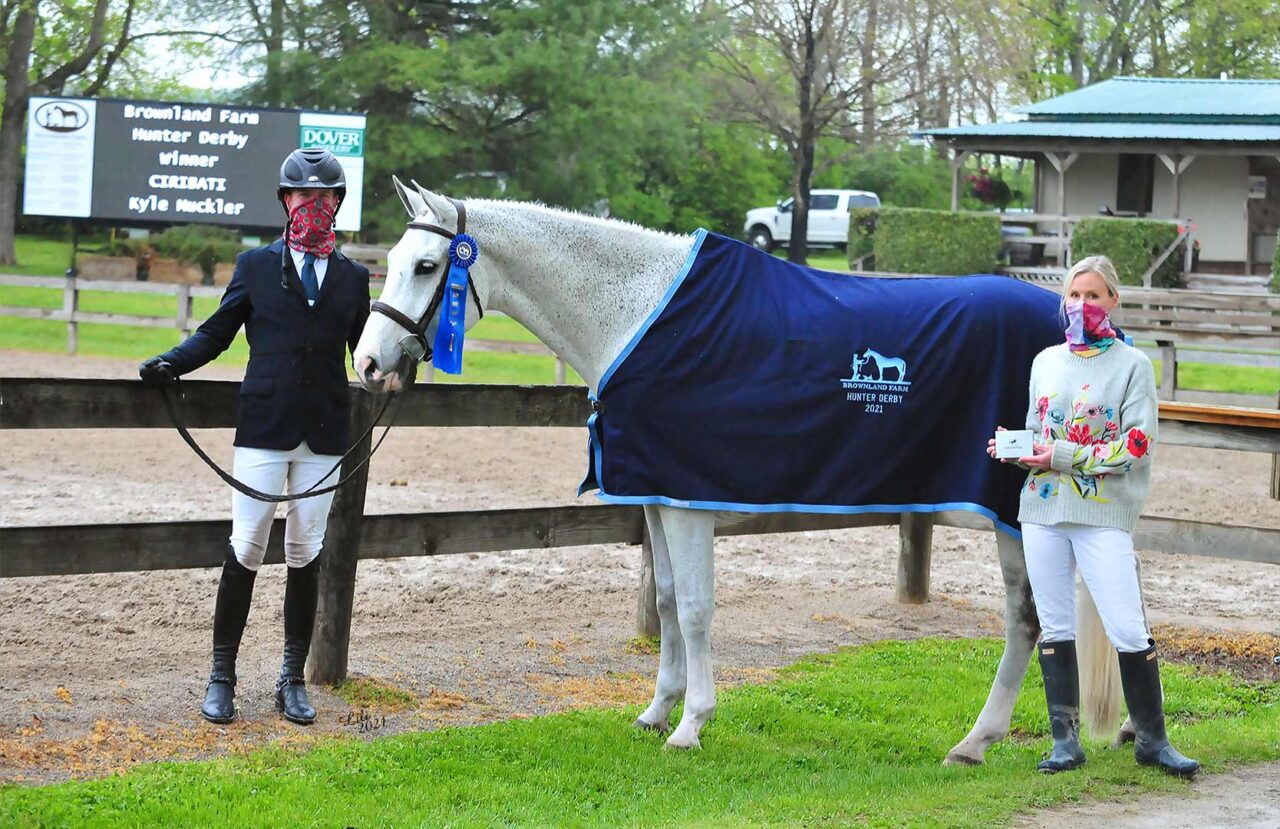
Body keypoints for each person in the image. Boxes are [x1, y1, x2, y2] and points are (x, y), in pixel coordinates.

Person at [139, 148, 371, 725]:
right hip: (264, 428)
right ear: (286, 202)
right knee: (246, 546)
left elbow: (365, 353)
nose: (313, 206)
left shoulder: (354, 277)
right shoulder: (255, 267)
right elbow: (216, 334)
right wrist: (171, 362)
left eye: (324, 198)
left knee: (305, 551)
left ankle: (291, 679)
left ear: (337, 204)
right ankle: (222, 676)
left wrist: (401, 363)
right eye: (303, 197)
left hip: (324, 434)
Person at [987, 254, 1198, 778]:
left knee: (1126, 624)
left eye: (1094, 295)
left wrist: (1059, 455)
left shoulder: (1133, 366)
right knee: (1056, 624)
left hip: (1102, 513)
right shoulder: (1045, 361)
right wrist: (1017, 448)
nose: (1083, 305)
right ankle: (1066, 742)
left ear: (1114, 301)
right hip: (1042, 507)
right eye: (1075, 296)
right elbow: (1041, 429)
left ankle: (1153, 739)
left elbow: (1135, 446)